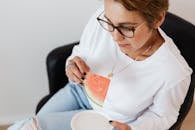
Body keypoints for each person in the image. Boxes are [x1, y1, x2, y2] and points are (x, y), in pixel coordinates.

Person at [8, 0, 192, 130]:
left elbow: (163, 117)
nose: (114, 36)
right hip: (78, 91)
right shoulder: (101, 17)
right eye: (110, 23)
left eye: (126, 27)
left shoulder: (174, 72)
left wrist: (132, 128)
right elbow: (81, 51)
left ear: (157, 19)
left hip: (112, 121)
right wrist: (72, 64)